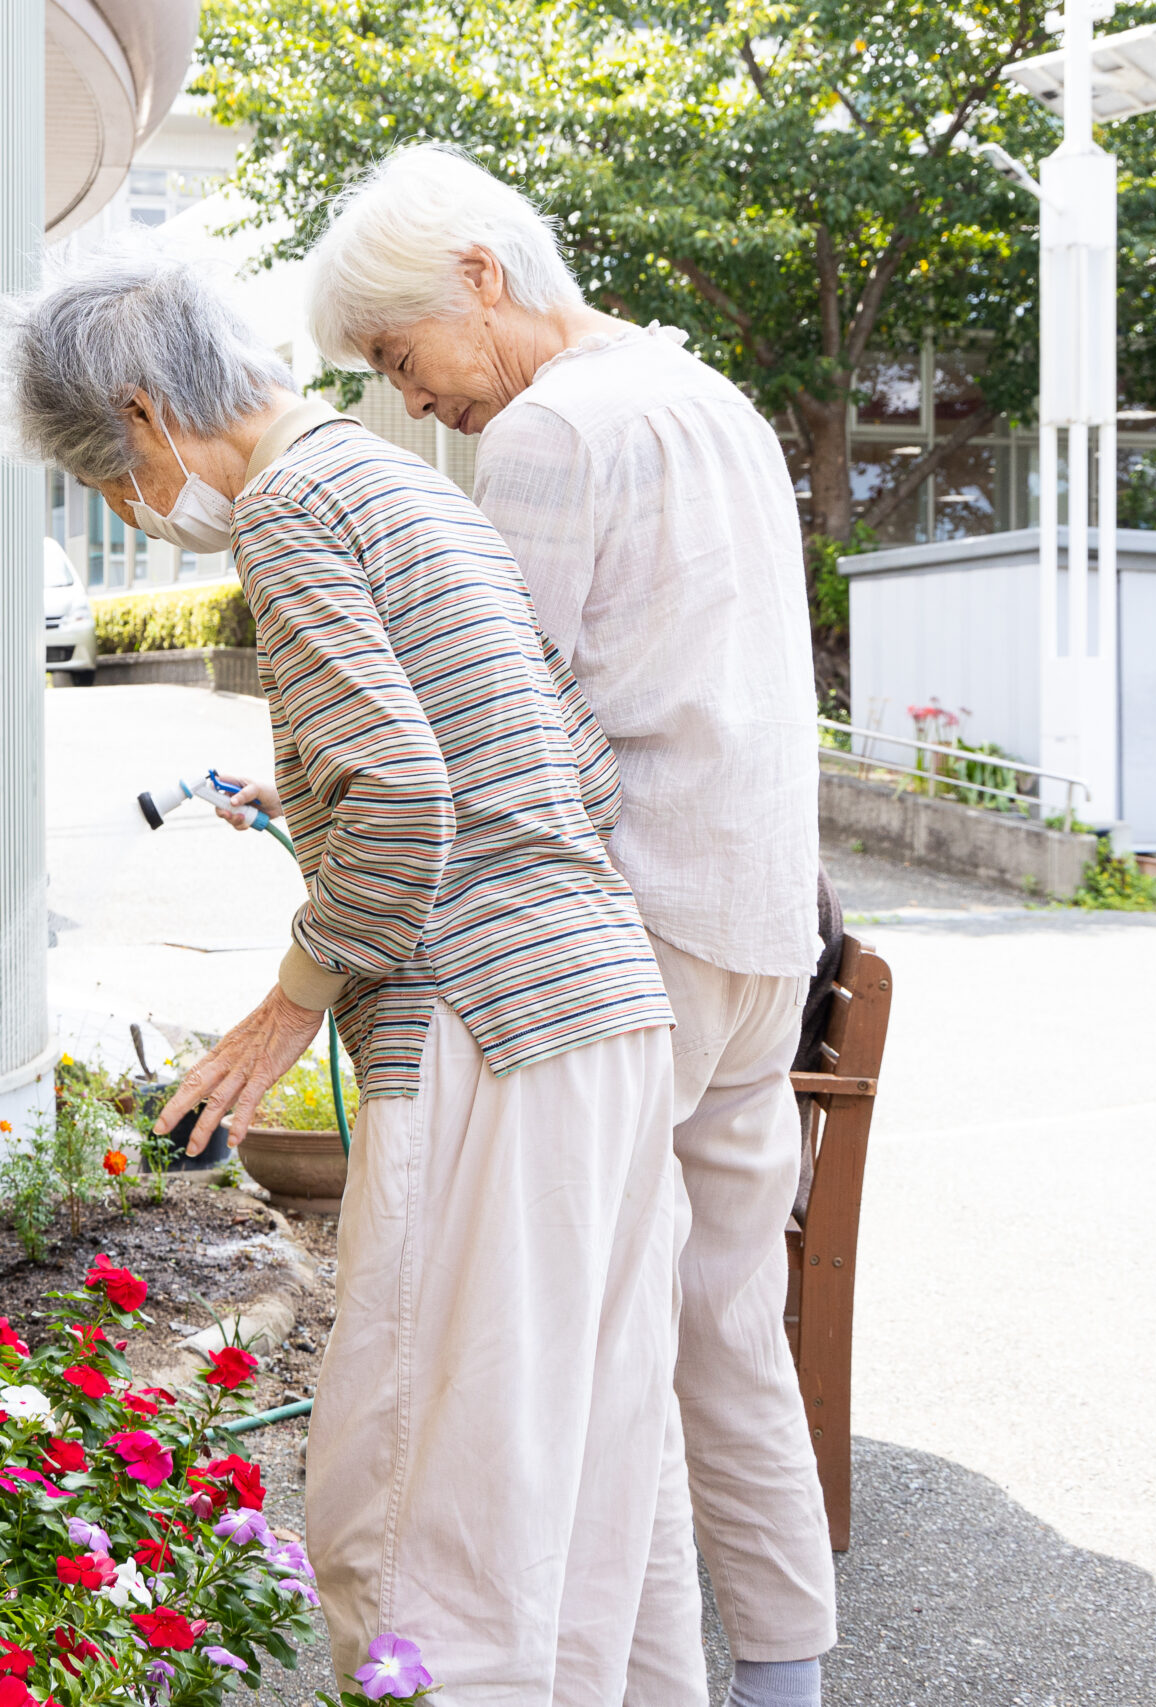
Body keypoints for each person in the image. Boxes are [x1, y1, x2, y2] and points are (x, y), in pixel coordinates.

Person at [0, 251, 691, 1704]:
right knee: (595, 1456)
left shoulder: (295, 512)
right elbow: (560, 760)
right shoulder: (406, 481)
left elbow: (408, 796)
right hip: (604, 1003)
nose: (136, 512)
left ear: (145, 415)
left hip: (489, 1028)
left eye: (113, 481)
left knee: (428, 1483)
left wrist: (280, 1009)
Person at [281, 145, 836, 1707]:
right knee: (726, 1320)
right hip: (760, 923)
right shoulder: (704, 393)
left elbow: (504, 723)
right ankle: (784, 1673)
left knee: (572, 1355)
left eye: (402, 356)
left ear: (478, 277)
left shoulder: (546, 432)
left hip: (619, 942)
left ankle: (580, 1674)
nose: (411, 400)